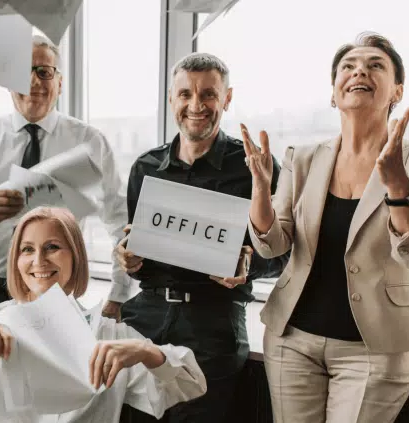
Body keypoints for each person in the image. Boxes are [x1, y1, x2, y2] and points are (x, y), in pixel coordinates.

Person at [242, 32, 409, 423]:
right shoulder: (301, 159)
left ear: (397, 90)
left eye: (376, 65)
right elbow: (273, 246)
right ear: (334, 92)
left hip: (373, 350)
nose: (360, 71)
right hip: (292, 342)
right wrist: (260, 190)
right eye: (349, 66)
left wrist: (397, 184)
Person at [0, 207, 207, 422]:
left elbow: (190, 384)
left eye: (52, 247)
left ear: (75, 257)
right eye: (27, 250)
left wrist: (146, 352)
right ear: (16, 263)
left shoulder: (109, 337)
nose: (39, 261)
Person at [114, 52, 288, 422]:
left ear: (226, 98)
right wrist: (128, 258)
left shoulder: (257, 169)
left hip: (214, 322)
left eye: (208, 94)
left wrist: (249, 266)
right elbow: (137, 251)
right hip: (146, 315)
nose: (197, 105)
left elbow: (287, 255)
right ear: (172, 99)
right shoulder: (145, 167)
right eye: (185, 94)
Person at [0, 34, 129, 316]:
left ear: (59, 82)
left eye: (44, 72)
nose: (33, 82)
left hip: (55, 288)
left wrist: (118, 295)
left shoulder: (91, 142)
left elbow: (121, 223)